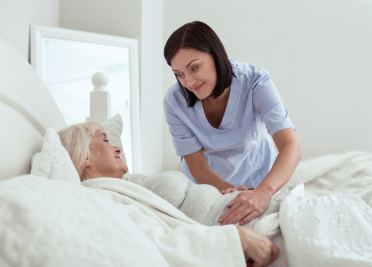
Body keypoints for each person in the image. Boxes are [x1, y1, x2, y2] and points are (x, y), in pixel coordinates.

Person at [57, 121, 280, 267]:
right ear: (86, 157)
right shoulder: (101, 200)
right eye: (105, 140)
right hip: (253, 233)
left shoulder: (126, 186)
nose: (117, 148)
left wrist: (228, 191)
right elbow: (151, 247)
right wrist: (235, 239)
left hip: (255, 209)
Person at [163, 21, 301, 226]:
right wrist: (233, 195)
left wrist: (263, 193)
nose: (189, 82)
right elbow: (197, 166)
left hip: (259, 181)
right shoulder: (175, 101)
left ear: (215, 55)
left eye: (194, 67)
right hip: (206, 186)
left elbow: (291, 146)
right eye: (179, 74)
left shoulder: (255, 82)